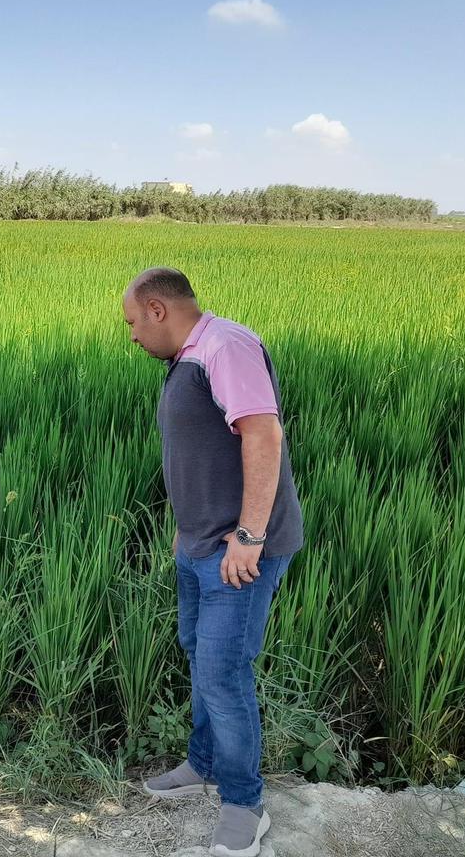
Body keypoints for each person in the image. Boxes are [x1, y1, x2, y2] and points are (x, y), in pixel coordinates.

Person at [123, 268, 304, 857]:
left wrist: (249, 534)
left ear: (157, 309)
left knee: (224, 674)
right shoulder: (189, 358)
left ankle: (244, 807)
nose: (130, 336)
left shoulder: (225, 346)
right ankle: (202, 763)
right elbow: (200, 452)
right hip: (200, 544)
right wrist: (184, 530)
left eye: (131, 322)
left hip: (239, 551)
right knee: (200, 655)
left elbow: (262, 435)